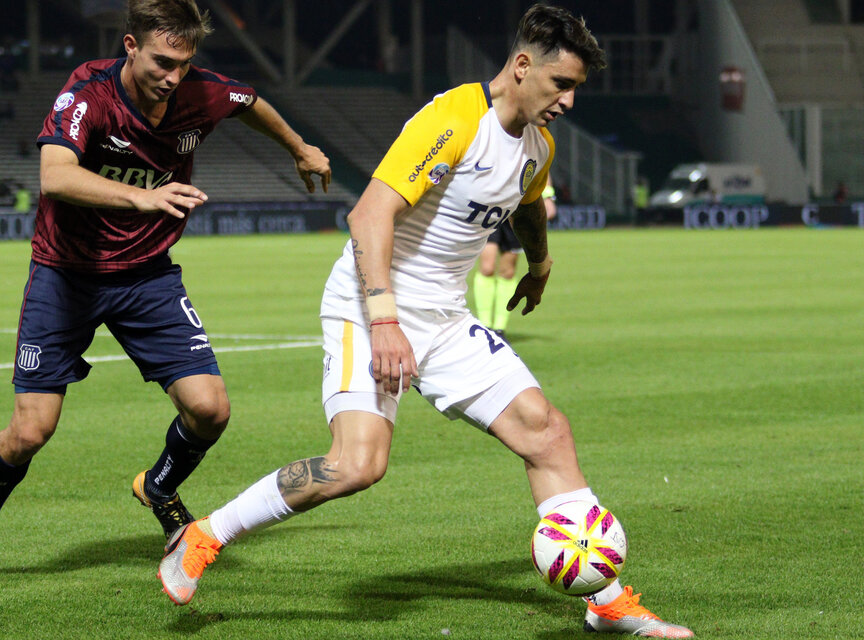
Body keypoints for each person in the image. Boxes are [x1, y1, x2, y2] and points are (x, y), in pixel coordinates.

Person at [157, 4, 694, 638]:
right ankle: (205, 534)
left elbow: (526, 203)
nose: (570, 101)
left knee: (545, 431)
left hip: (442, 317)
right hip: (368, 303)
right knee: (358, 465)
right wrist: (384, 320)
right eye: (562, 84)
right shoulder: (453, 118)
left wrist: (541, 261)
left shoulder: (537, 145)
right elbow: (368, 216)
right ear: (523, 66)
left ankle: (605, 601)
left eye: (576, 88)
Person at [0, 0, 331, 585]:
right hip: (65, 276)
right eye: (161, 61)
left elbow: (250, 103)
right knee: (29, 431)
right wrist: (141, 197)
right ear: (130, 46)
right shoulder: (87, 92)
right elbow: (54, 174)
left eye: (183, 62)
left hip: (146, 275)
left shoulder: (202, 91)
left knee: (210, 408)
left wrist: (298, 147)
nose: (173, 76)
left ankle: (159, 486)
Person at [473, 173, 556, 338]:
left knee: (508, 271)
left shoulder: (531, 147)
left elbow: (542, 166)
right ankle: (485, 326)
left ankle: (499, 328)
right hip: (491, 207)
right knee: (487, 268)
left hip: (517, 210)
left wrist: (547, 196)